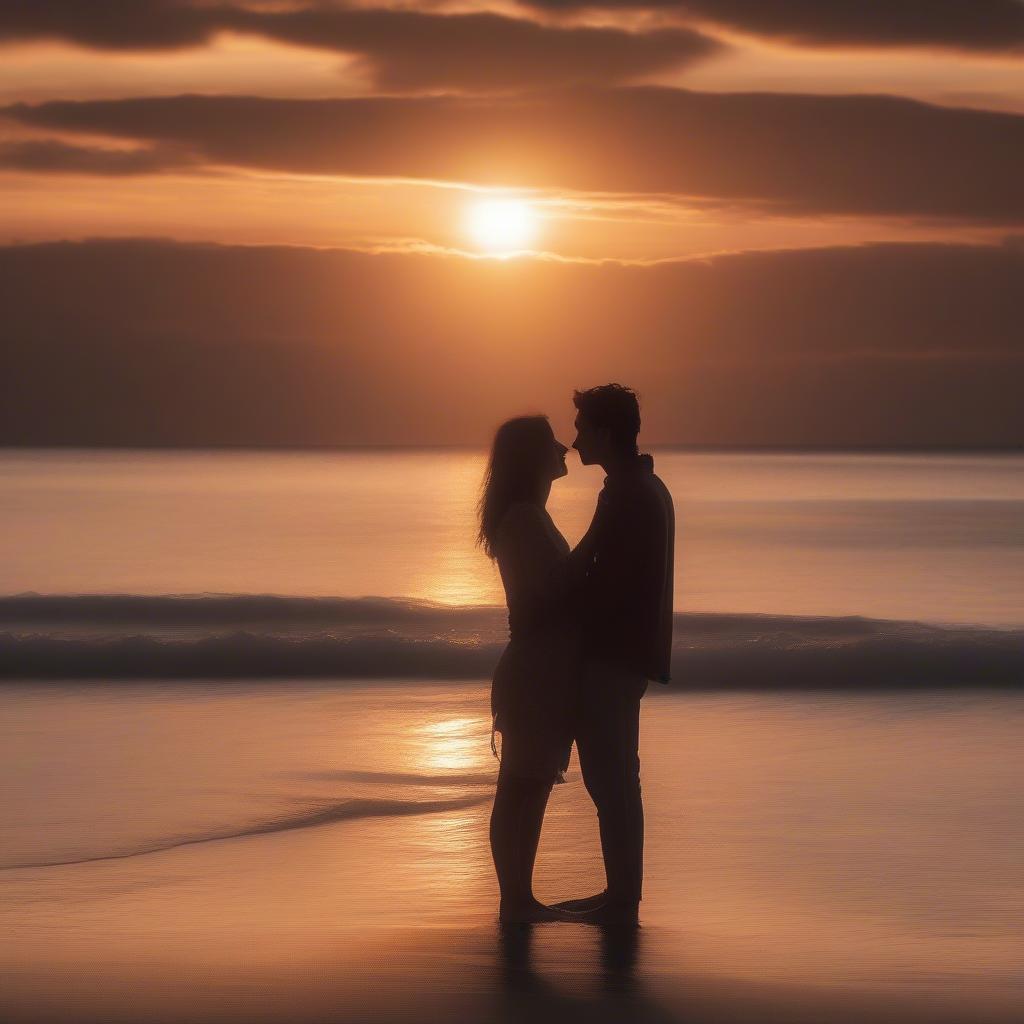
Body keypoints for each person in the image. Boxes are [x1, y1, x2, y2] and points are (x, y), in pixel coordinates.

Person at [552, 384, 675, 927]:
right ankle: (621, 893)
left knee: (612, 778)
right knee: (617, 776)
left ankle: (622, 899)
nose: (574, 439)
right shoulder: (643, 486)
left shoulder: (627, 492)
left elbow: (599, 576)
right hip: (629, 650)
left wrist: (551, 593)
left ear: (604, 431)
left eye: (581, 428)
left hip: (613, 652)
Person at [478, 415, 600, 924]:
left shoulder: (529, 516)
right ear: (532, 457)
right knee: (519, 788)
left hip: (545, 670)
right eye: (551, 441)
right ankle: (515, 900)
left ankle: (520, 898)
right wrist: (602, 536)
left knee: (531, 788)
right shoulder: (524, 520)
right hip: (534, 672)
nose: (564, 447)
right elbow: (554, 590)